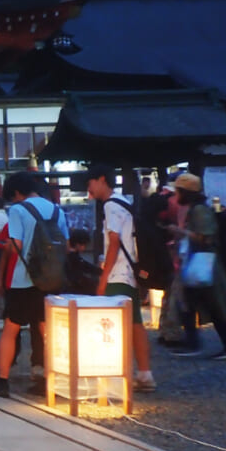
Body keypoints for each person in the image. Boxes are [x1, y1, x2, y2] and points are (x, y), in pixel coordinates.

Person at [0, 172, 69, 398]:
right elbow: (66, 245)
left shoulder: (18, 210)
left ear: (16, 193)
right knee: (46, 330)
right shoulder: (56, 210)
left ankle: (2, 380)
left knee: (11, 329)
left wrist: (4, 247)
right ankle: (48, 378)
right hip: (51, 280)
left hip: (23, 280)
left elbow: (17, 245)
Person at [86, 163, 156, 391]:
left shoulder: (111, 206)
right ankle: (144, 374)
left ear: (102, 180)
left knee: (115, 326)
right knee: (135, 323)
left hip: (119, 275)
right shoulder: (124, 202)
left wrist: (103, 279)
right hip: (130, 272)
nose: (90, 190)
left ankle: (117, 374)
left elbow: (114, 242)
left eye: (91, 183)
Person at [167, 173, 226, 359]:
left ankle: (209, 344)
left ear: (186, 192)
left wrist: (180, 231)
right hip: (202, 264)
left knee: (205, 305)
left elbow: (205, 238)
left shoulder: (199, 211)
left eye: (178, 191)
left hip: (205, 265)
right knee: (203, 305)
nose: (176, 195)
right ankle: (215, 344)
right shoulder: (197, 209)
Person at [65, 228, 101, 295]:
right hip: (74, 291)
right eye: (84, 245)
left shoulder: (72, 256)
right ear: (77, 244)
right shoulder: (72, 258)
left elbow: (86, 266)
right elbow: (85, 268)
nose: (84, 248)